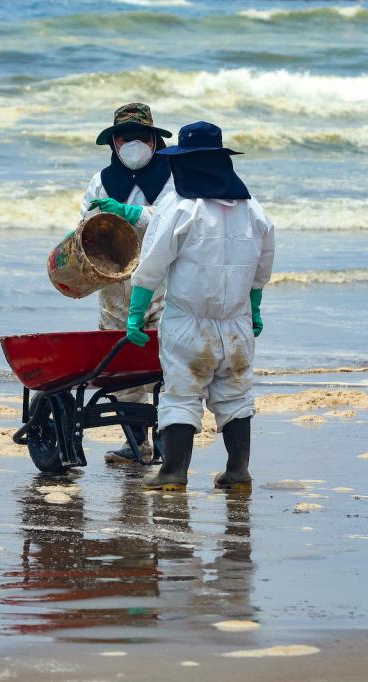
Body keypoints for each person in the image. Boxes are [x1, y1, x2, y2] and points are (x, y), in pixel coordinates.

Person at [125, 122, 275, 491]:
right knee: (236, 394)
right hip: (236, 323)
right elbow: (263, 265)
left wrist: (135, 313)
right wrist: (254, 308)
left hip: (188, 324)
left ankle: (174, 473)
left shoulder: (180, 207)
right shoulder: (253, 209)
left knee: (181, 393)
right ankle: (238, 472)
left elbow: (153, 264)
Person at [78, 102, 175, 463]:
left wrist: (132, 213)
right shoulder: (101, 181)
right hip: (116, 283)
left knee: (167, 359)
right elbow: (85, 229)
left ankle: (168, 442)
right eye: (125, 138)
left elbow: (175, 220)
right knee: (123, 362)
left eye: (141, 137)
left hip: (165, 280)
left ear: (154, 140)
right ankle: (137, 443)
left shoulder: (173, 176)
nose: (133, 144)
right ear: (114, 143)